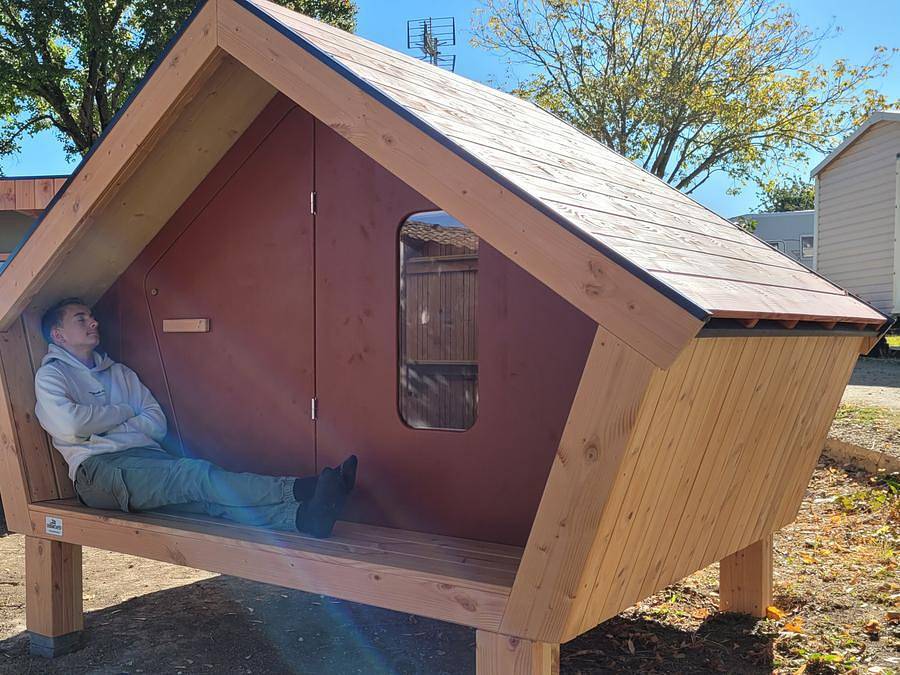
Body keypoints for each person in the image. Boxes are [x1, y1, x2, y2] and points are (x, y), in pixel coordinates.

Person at [33, 297, 355, 538]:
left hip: (148, 460)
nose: (93, 323)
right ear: (59, 335)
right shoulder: (52, 376)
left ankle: (303, 519)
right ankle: (305, 487)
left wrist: (101, 424)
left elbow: (156, 424)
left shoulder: (120, 373)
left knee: (209, 502)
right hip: (99, 472)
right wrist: (125, 411)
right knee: (196, 476)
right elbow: (72, 426)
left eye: (92, 317)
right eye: (81, 319)